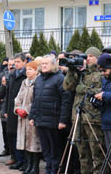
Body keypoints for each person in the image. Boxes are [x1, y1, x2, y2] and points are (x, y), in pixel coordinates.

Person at [63, 46, 104, 174]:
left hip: (94, 119)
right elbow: (67, 86)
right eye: (87, 56)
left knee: (97, 154)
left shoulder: (102, 74)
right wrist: (71, 69)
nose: (88, 58)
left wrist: (85, 89)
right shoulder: (81, 73)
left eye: (91, 56)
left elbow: (103, 92)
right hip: (78, 117)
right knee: (82, 154)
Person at [29, 55, 71, 174]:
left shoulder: (60, 79)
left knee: (55, 150)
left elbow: (66, 101)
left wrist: (63, 120)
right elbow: (35, 100)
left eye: (47, 63)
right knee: (46, 150)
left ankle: (55, 171)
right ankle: (48, 170)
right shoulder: (39, 79)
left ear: (53, 65)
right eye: (42, 64)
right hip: (41, 120)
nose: (44, 65)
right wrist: (32, 116)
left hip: (54, 121)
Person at [0, 53, 27, 169]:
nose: (16, 64)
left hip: (22, 110)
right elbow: (8, 92)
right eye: (14, 62)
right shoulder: (12, 75)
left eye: (18, 62)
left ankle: (23, 161)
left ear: (24, 61)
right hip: (11, 109)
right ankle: (14, 157)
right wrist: (6, 109)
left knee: (21, 136)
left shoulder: (26, 75)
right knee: (11, 134)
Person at [14, 61, 41, 174]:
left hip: (32, 117)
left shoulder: (38, 82)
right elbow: (18, 97)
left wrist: (27, 110)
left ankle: (35, 167)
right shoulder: (24, 82)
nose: (28, 71)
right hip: (22, 118)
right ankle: (28, 165)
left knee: (34, 143)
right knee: (25, 142)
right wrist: (17, 108)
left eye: (30, 69)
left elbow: (37, 100)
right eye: (27, 69)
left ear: (36, 71)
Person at [0, 58, 15, 157]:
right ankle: (6, 148)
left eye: (13, 64)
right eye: (9, 64)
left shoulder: (19, 76)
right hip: (4, 107)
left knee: (13, 132)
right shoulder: (2, 76)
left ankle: (14, 153)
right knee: (5, 130)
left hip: (14, 108)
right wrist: (3, 85)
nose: (11, 66)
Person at [96, 53, 111, 166]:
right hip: (106, 121)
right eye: (100, 70)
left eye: (104, 70)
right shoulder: (105, 80)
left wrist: (105, 95)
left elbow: (106, 95)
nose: (102, 73)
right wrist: (97, 101)